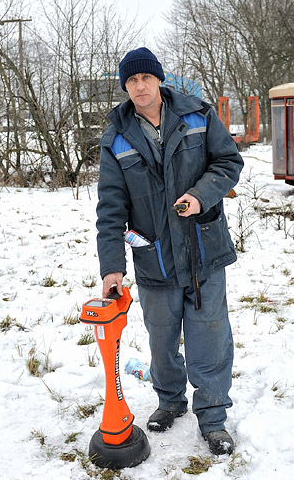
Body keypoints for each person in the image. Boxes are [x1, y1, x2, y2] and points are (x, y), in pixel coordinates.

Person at [95, 47, 244, 456]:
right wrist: (112, 268)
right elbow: (111, 207)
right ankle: (171, 401)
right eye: (131, 81)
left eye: (146, 78)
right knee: (161, 338)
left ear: (160, 80)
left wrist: (200, 195)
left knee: (209, 336)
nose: (140, 87)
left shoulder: (198, 115)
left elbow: (229, 162)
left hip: (203, 250)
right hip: (154, 257)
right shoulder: (117, 138)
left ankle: (213, 417)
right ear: (125, 86)